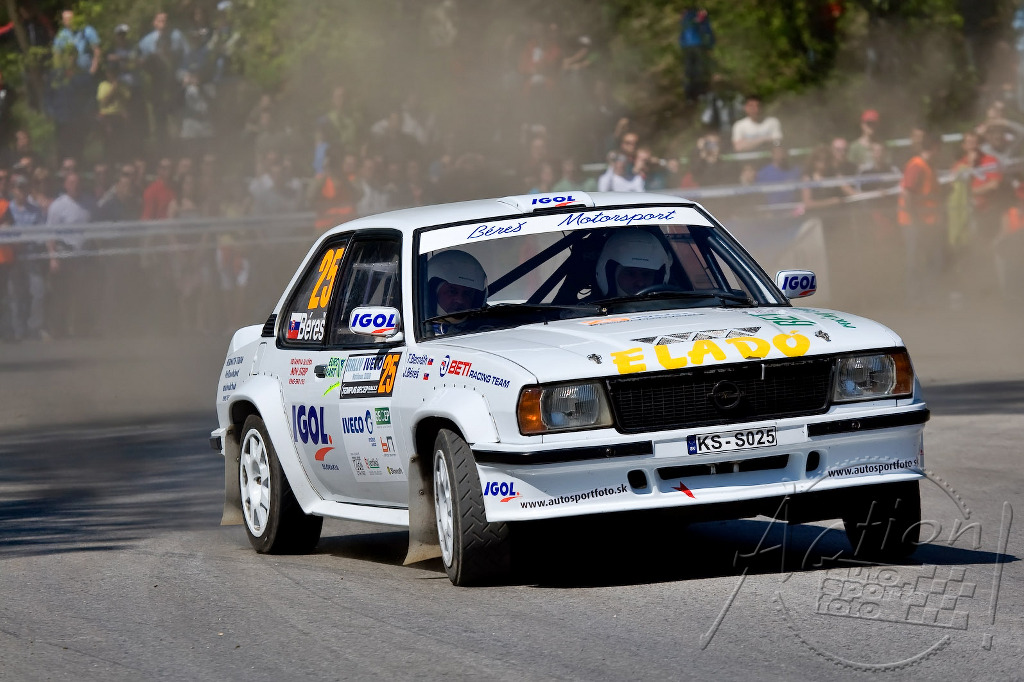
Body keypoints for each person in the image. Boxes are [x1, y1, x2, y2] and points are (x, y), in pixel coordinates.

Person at [898, 132, 943, 304]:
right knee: (915, 261)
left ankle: (928, 297)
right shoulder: (917, 165)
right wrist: (915, 220)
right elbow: (907, 193)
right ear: (935, 147)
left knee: (929, 259)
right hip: (915, 222)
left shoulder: (927, 166)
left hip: (926, 221)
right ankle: (915, 299)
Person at [595, 229, 673, 297]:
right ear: (609, 274)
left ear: (659, 277)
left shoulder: (675, 304)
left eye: (646, 274)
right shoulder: (589, 308)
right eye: (631, 273)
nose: (640, 283)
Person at [425, 249, 487, 334]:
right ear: (432, 295)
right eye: (452, 291)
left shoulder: (490, 328)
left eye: (467, 293)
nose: (460, 300)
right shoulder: (413, 331)